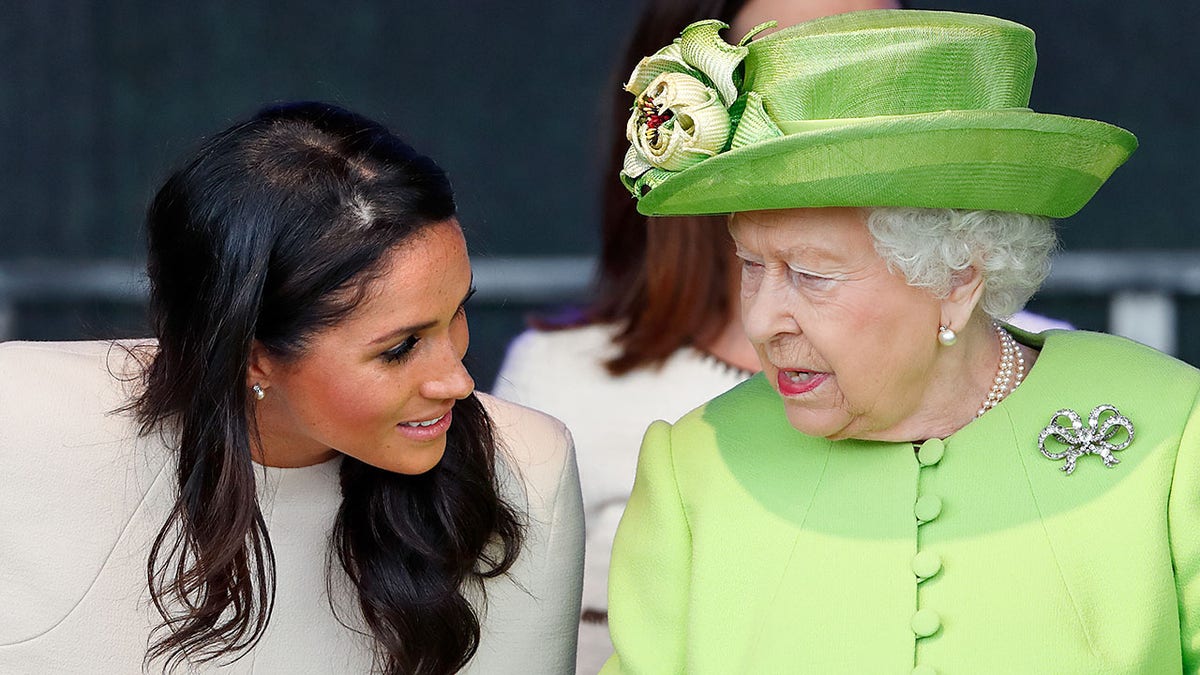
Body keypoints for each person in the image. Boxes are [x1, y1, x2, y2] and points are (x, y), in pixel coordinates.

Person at [603, 9, 1199, 673]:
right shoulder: (696, 466)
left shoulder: (1171, 432)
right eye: (750, 266)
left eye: (809, 274)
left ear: (957, 277)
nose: (764, 318)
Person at [0, 102, 583, 674]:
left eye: (458, 312)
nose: (458, 380)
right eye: (399, 348)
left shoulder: (525, 471)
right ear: (253, 356)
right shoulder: (23, 423)